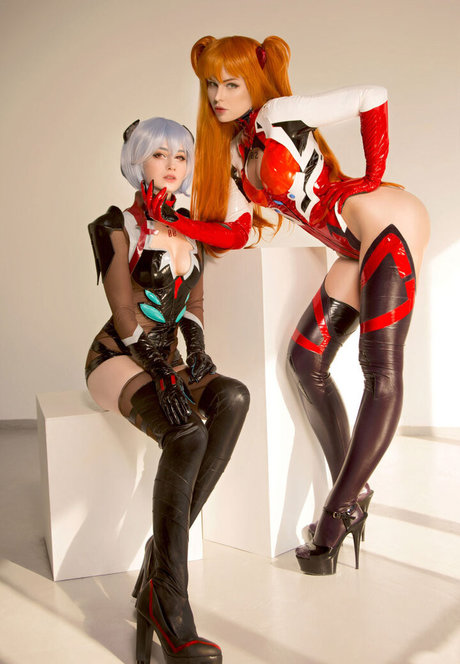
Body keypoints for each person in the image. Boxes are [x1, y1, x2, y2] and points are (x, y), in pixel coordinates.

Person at [143, 36, 430, 576]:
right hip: (351, 245)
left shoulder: (279, 115)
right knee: (305, 362)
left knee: (380, 369)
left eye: (232, 83)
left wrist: (372, 176)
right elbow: (235, 232)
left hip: (387, 222)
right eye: (211, 84)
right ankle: (355, 490)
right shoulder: (235, 153)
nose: (219, 95)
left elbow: (372, 95)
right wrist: (174, 220)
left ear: (254, 81)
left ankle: (338, 513)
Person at [86, 116, 249, 663]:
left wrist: (195, 351)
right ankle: (171, 601)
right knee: (186, 433)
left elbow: (193, 305)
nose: (173, 165)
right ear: (138, 161)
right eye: (160, 154)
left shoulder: (189, 224)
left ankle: (158, 568)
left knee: (233, 398)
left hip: (169, 357)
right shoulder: (116, 225)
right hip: (118, 356)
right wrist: (162, 371)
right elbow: (124, 315)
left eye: (181, 156)